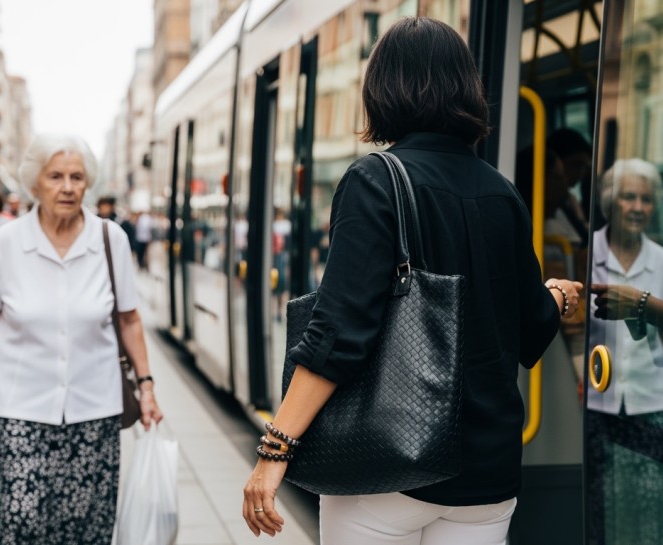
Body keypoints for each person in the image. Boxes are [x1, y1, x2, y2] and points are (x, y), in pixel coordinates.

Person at [242, 18, 583, 544]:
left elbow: (339, 332)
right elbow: (531, 326)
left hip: (388, 469)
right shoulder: (503, 192)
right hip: (487, 480)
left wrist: (275, 449)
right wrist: (557, 294)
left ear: (382, 89)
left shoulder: (373, 180)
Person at [0, 134, 164, 544]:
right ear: (35, 183)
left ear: (87, 183)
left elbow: (130, 320)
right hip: (19, 411)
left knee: (84, 530)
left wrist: (146, 387)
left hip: (94, 413)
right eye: (56, 176)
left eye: (76, 177)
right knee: (18, 524)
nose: (67, 187)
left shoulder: (110, 239)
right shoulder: (8, 242)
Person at [585, 158, 663, 545]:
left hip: (649, 400)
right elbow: (575, 329)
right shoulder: (588, 252)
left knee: (650, 501)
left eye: (646, 199)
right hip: (599, 401)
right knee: (601, 499)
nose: (638, 207)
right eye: (628, 197)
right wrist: (580, 378)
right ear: (611, 201)